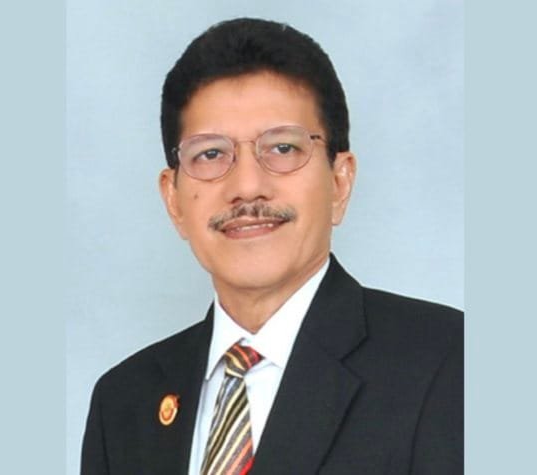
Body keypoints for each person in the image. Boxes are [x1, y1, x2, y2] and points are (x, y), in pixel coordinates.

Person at [81, 18, 463, 475]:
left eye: (282, 148)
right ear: (174, 199)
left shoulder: (450, 363)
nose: (247, 186)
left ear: (339, 182)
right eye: (210, 154)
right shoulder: (123, 403)